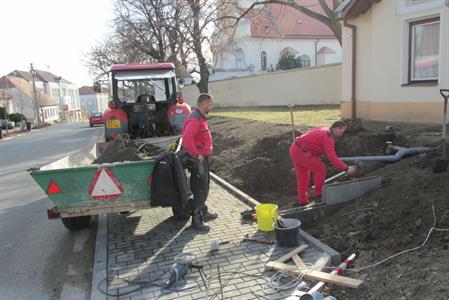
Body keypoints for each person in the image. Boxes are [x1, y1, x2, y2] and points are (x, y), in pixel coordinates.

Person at [290, 121, 357, 206]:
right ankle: (318, 195)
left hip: (295, 149)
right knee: (320, 168)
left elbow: (318, 146)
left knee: (303, 177)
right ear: (335, 128)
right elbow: (331, 156)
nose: (341, 134)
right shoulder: (328, 136)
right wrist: (346, 168)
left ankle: (302, 201)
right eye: (341, 132)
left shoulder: (325, 130)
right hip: (302, 152)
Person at [182, 93, 217, 231]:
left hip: (202, 158)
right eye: (211, 104)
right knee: (200, 188)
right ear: (205, 103)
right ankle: (196, 220)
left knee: (205, 185)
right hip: (197, 160)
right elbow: (186, 139)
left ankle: (204, 212)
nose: (211, 106)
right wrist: (196, 154)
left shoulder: (199, 117)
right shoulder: (195, 118)